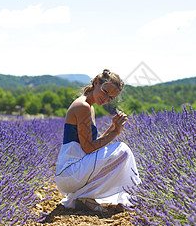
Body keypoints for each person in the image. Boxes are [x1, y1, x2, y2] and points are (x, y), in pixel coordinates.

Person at [55, 69, 141, 212]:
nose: (106, 99)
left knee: (119, 154)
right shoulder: (83, 107)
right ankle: (84, 195)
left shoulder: (89, 107)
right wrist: (115, 133)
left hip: (72, 172)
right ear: (96, 83)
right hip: (69, 173)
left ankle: (85, 196)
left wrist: (113, 129)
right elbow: (88, 149)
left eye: (111, 98)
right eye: (105, 92)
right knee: (123, 150)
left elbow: (90, 147)